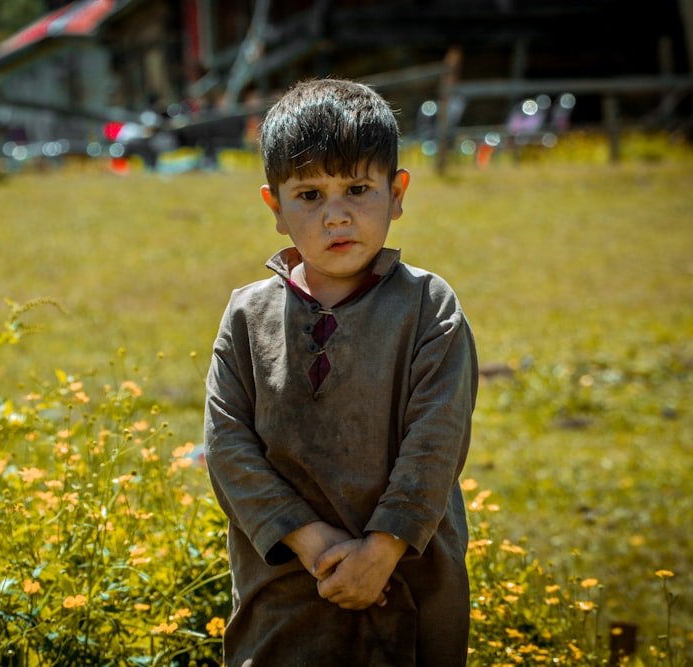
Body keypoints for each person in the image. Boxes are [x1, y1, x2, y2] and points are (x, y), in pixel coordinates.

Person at [203, 78, 479, 666]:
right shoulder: (247, 316)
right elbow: (228, 446)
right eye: (308, 195)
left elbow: (436, 442)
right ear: (274, 206)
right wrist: (311, 541)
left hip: (411, 581)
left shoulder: (429, 307)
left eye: (358, 188)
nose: (337, 217)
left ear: (397, 193)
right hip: (285, 588)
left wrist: (381, 552)